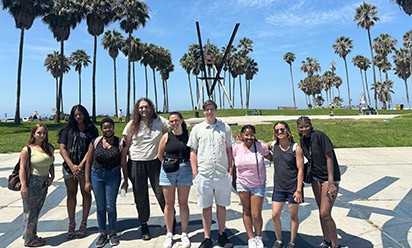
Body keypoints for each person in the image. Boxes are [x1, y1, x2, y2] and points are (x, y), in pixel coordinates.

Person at [187, 100, 235, 248]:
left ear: (216, 110)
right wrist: (195, 173)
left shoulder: (225, 128)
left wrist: (230, 170)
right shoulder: (197, 129)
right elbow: (193, 151)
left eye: (212, 109)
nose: (210, 112)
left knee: (221, 206)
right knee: (206, 207)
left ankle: (222, 234)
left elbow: (229, 150)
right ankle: (207, 237)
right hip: (204, 174)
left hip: (221, 173)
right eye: (207, 110)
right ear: (204, 112)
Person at [122, 98, 168, 240]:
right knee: (140, 196)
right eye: (141, 107)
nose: (143, 110)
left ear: (151, 108)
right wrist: (124, 168)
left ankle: (170, 221)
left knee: (161, 194)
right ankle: (144, 224)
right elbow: (125, 146)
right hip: (136, 163)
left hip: (155, 162)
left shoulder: (160, 121)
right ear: (137, 109)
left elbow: (168, 135)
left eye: (146, 107)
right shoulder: (132, 125)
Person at [296, 116, 341, 248]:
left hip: (329, 178)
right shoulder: (302, 140)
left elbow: (329, 158)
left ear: (311, 125)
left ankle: (335, 245)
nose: (304, 129)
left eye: (306, 126)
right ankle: (326, 240)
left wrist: (331, 182)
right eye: (301, 127)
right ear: (298, 128)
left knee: (325, 213)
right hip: (316, 177)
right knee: (321, 210)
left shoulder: (320, 136)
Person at [85, 117, 128, 247]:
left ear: (113, 128)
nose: (108, 130)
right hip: (97, 175)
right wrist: (87, 180)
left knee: (110, 206)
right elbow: (88, 161)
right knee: (100, 206)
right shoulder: (95, 142)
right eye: (105, 127)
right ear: (101, 129)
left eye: (110, 127)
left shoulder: (120, 143)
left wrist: (125, 180)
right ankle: (102, 232)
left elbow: (123, 162)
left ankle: (113, 232)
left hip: (113, 175)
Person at [58, 104, 98, 239]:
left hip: (85, 167)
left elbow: (91, 149)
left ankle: (84, 223)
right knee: (71, 194)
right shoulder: (67, 130)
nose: (78, 117)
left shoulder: (91, 130)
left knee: (85, 193)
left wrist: (80, 166)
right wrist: (72, 165)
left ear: (85, 114)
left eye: (80, 114)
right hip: (69, 167)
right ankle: (71, 223)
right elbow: (62, 148)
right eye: (75, 115)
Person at [232, 125, 271, 248]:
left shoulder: (260, 147)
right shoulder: (236, 149)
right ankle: (251, 238)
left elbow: (273, 157)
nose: (249, 137)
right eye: (247, 135)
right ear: (242, 135)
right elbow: (232, 165)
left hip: (258, 184)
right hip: (242, 183)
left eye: (252, 135)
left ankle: (258, 236)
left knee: (256, 214)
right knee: (246, 211)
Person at [158, 112, 192, 248]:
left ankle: (184, 233)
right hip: (168, 171)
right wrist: (168, 164)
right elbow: (159, 154)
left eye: (176, 120)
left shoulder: (188, 135)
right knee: (169, 204)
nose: (174, 123)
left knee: (183, 203)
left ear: (181, 120)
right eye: (171, 121)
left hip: (185, 169)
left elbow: (193, 152)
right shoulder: (166, 136)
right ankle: (169, 233)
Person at [269, 121, 304, 248]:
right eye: (277, 131)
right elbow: (260, 145)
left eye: (282, 130)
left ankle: (292, 242)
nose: (279, 132)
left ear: (287, 131)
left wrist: (299, 189)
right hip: (279, 187)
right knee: (275, 214)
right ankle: (278, 240)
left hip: (293, 187)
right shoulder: (273, 145)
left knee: (293, 215)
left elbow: (300, 170)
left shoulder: (296, 148)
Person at [19, 124, 55, 247]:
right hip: (32, 182)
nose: (42, 135)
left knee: (37, 210)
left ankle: (32, 235)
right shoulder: (27, 150)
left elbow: (51, 163)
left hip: (43, 182)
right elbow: (22, 169)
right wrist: (24, 185)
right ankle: (28, 240)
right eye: (39, 133)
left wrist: (52, 177)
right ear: (34, 134)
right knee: (29, 212)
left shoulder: (49, 148)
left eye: (44, 133)